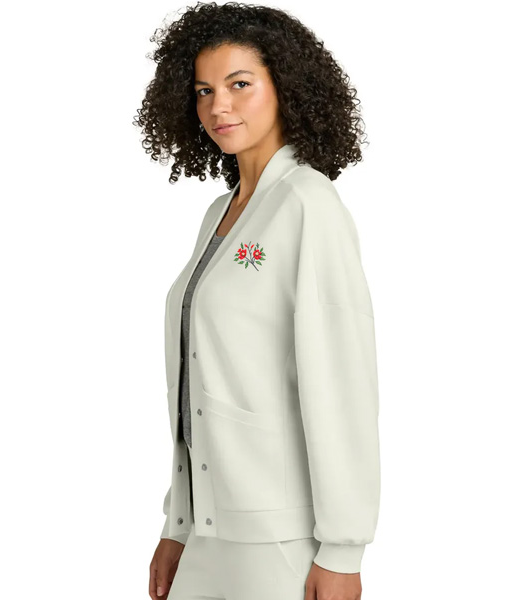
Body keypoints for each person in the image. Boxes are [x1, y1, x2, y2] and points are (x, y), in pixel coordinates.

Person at [134, 3, 380, 599]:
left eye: (239, 84)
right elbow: (200, 380)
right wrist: (177, 524)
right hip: (210, 528)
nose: (218, 106)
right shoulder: (220, 214)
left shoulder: (307, 203)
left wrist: (343, 550)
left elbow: (340, 381)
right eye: (203, 90)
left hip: (279, 539)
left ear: (285, 87)